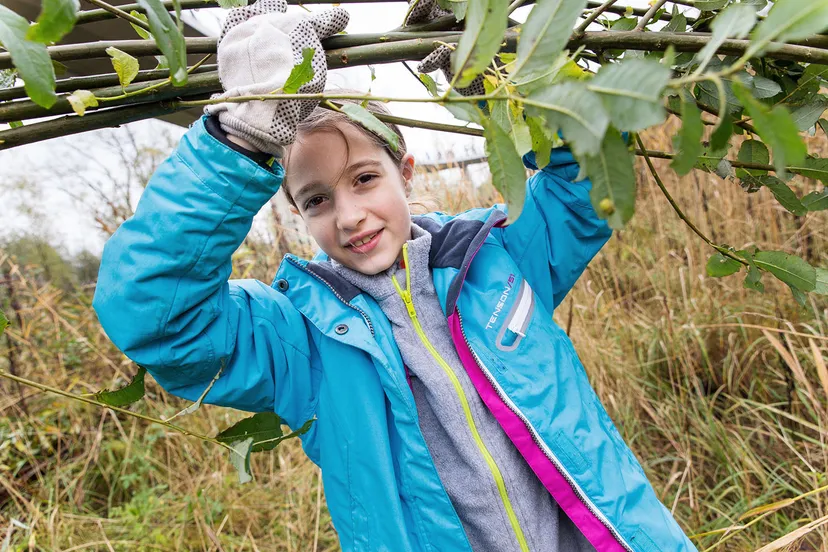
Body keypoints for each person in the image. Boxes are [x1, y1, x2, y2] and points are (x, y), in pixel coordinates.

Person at [93, 0, 697, 550]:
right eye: (317, 200)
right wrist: (243, 136)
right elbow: (155, 316)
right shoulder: (299, 339)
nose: (350, 216)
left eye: (364, 179)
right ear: (296, 212)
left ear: (404, 171)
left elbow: (587, 181)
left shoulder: (497, 259)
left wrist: (503, 76)